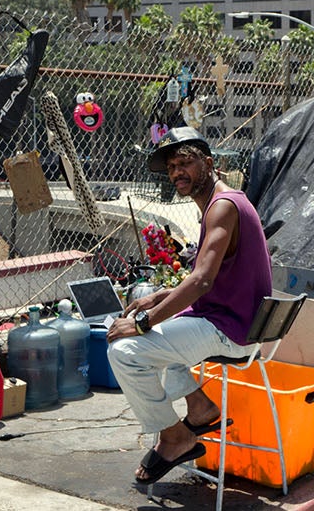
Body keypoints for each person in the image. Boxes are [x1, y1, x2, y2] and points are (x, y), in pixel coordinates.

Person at [106, 127, 272, 486]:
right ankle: (200, 407)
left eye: (186, 163)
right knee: (161, 333)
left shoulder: (223, 207)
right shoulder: (222, 202)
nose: (177, 172)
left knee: (125, 350)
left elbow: (202, 282)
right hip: (231, 322)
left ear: (208, 163)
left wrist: (142, 323)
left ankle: (176, 437)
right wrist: (156, 298)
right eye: (171, 168)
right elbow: (202, 277)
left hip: (231, 330)